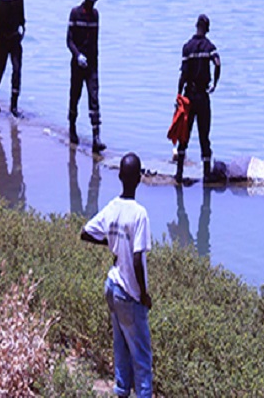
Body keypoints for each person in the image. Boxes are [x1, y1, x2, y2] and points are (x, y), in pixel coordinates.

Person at [81, 152, 153, 398]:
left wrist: (112, 244)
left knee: (121, 350)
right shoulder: (139, 214)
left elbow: (86, 232)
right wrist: (143, 295)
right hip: (129, 294)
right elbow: (137, 259)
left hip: (112, 286)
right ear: (139, 179)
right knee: (142, 358)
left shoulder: (112, 207)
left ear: (120, 176)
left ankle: (121, 392)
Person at [175, 14, 221, 184]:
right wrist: (214, 84)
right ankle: (206, 175)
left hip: (189, 96)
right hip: (203, 96)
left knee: (184, 135)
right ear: (207, 28)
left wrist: (179, 95)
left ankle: (179, 173)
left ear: (196, 26)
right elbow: (217, 63)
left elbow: (183, 74)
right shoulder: (209, 47)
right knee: (204, 136)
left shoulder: (187, 47)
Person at [67, 0, 105, 153]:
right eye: (90, 2)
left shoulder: (95, 15)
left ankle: (96, 138)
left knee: (94, 98)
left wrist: (94, 65)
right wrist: (77, 56)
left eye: (94, 2)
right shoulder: (75, 13)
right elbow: (69, 40)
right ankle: (72, 128)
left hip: (92, 65)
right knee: (75, 96)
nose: (92, 5)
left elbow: (95, 42)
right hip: (77, 63)